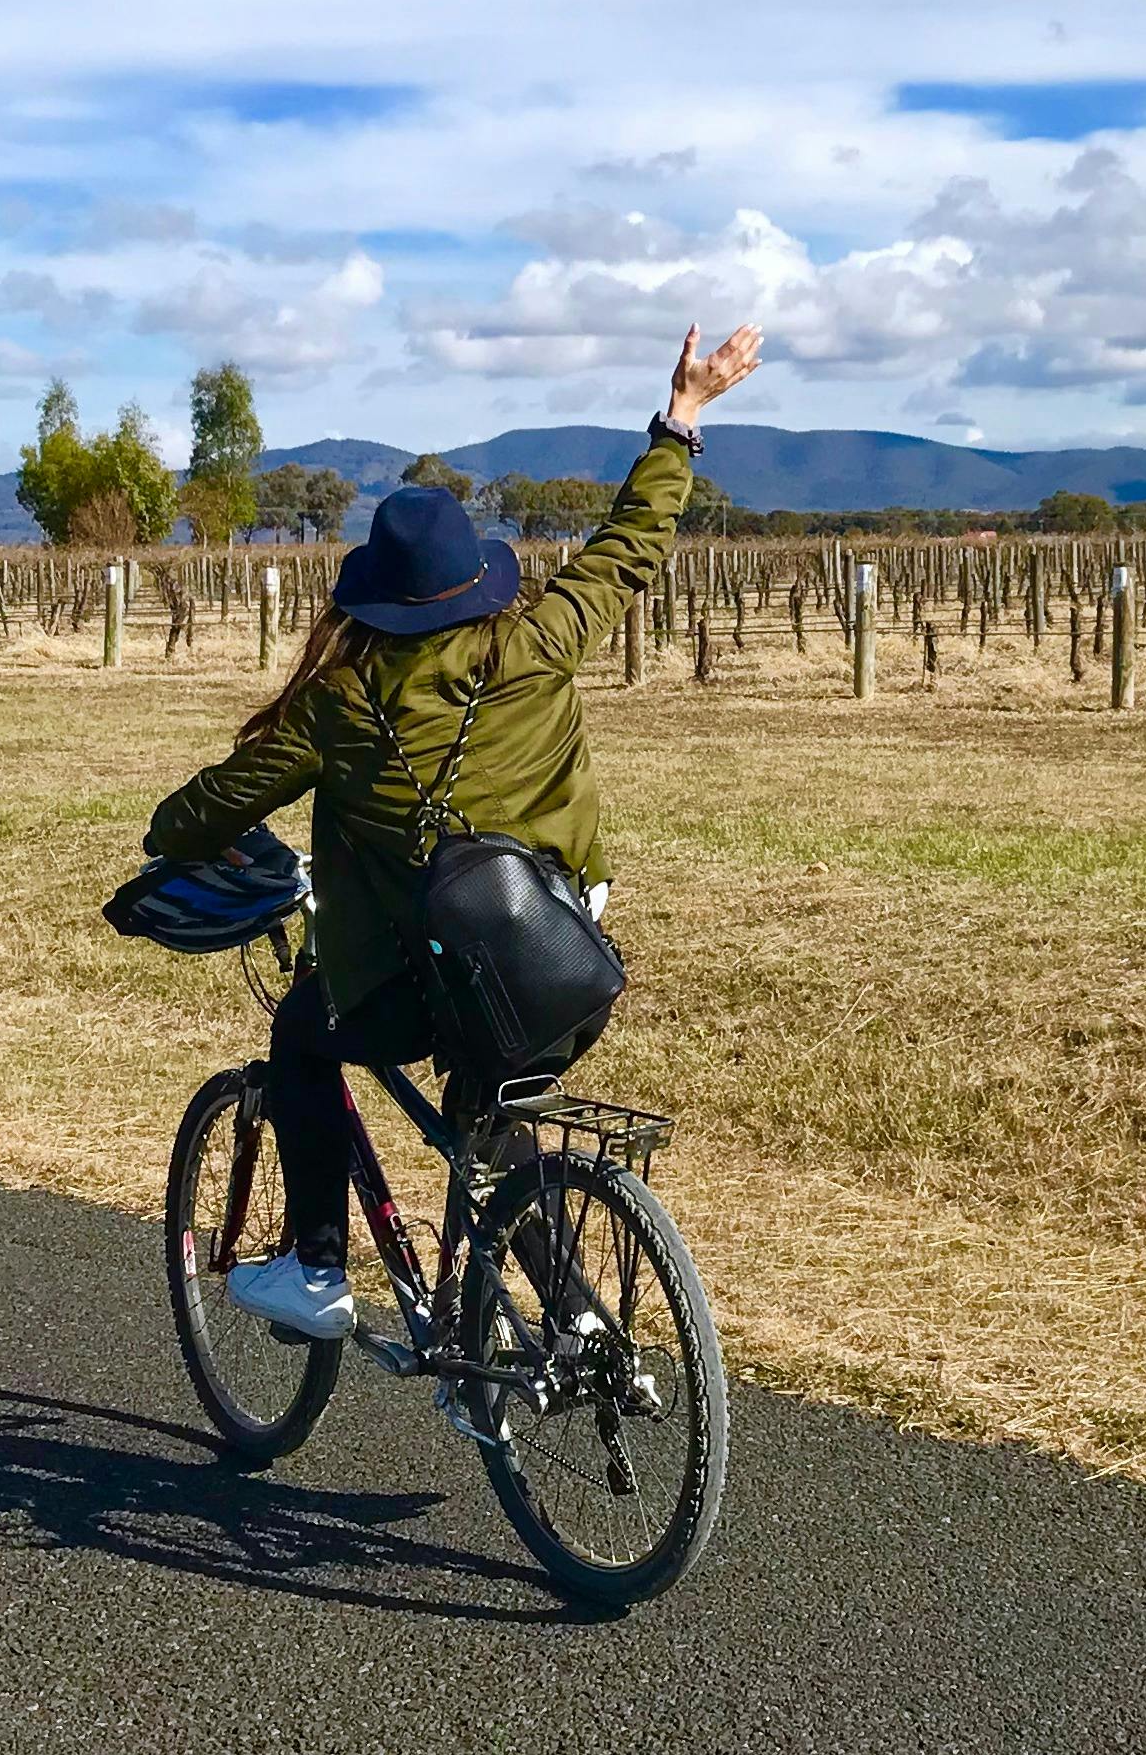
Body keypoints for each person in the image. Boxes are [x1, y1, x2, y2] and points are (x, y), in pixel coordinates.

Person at [143, 322, 762, 1341]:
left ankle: (314, 1267)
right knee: (497, 1124)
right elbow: (630, 545)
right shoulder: (543, 641)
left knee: (303, 1030)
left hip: (417, 993)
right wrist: (683, 415)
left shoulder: (339, 705)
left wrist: (171, 834)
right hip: (564, 964)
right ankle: (581, 1327)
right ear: (477, 584)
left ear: (375, 604)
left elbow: (207, 809)